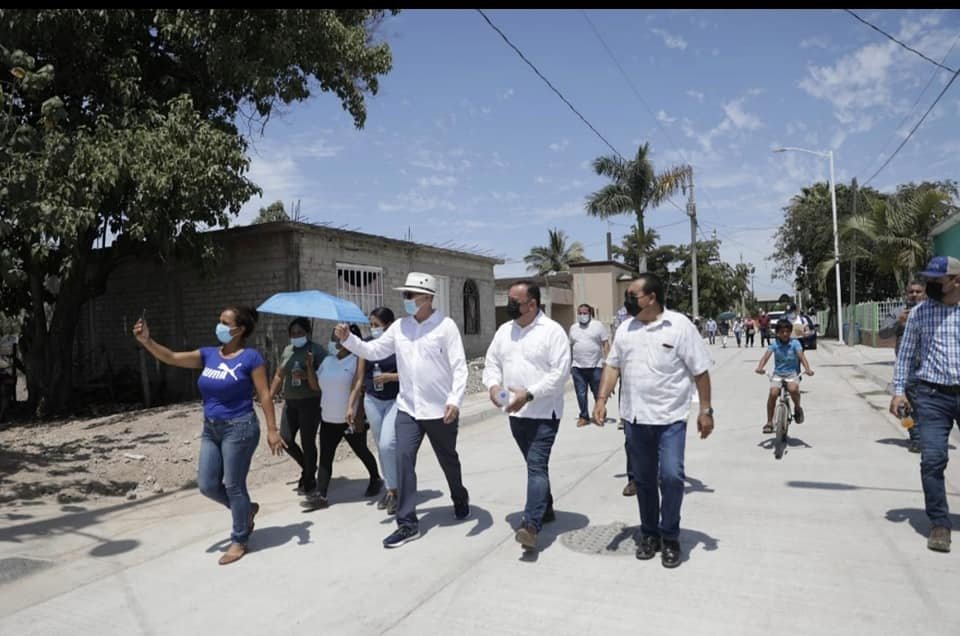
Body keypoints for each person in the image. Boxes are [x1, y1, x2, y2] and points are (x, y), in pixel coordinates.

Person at [132, 305, 284, 565]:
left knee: (234, 485)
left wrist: (272, 429)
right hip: (211, 427)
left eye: (225, 322)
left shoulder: (250, 358)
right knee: (207, 485)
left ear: (240, 329)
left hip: (240, 427)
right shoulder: (208, 354)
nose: (220, 326)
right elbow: (170, 357)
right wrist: (148, 341)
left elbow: (265, 394)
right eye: (219, 321)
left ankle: (239, 539)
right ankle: (245, 510)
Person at [335, 272, 469, 549]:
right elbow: (372, 351)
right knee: (403, 459)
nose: (405, 299)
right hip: (408, 408)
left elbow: (459, 367)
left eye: (410, 295)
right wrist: (349, 340)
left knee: (448, 459)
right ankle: (407, 523)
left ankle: (459, 496)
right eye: (404, 295)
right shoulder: (399, 327)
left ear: (427, 297)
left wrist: (455, 400)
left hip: (439, 409)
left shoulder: (446, 327)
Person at [593, 273, 714, 569]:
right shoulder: (625, 330)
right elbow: (612, 367)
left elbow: (700, 371)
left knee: (671, 477)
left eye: (633, 296)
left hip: (670, 418)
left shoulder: (680, 326)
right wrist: (600, 399)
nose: (628, 301)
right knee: (645, 481)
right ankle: (650, 534)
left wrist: (706, 410)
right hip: (635, 419)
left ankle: (670, 536)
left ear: (652, 297)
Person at [484, 280, 571, 551]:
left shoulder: (552, 332)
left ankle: (531, 526)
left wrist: (529, 394)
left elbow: (559, 374)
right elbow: (492, 363)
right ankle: (545, 507)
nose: (508, 305)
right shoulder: (504, 331)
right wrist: (493, 385)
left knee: (535, 465)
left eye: (514, 301)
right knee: (536, 467)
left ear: (532, 304)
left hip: (544, 413)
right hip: (515, 413)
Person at [890, 256, 960, 553]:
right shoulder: (919, 314)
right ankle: (940, 523)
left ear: (956, 281)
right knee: (932, 460)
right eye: (928, 280)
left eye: (936, 281)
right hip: (932, 396)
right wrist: (897, 391)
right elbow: (905, 355)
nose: (930, 285)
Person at [302, 325, 382, 510]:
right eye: (333, 337)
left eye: (337, 337)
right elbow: (316, 387)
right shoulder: (328, 361)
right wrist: (309, 367)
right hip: (328, 417)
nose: (334, 341)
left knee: (361, 450)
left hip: (349, 419)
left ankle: (375, 478)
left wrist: (355, 413)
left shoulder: (357, 360)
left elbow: (359, 387)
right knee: (325, 457)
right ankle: (321, 495)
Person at [347, 307, 401, 514]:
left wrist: (390, 377)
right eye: (371, 325)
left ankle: (396, 490)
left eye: (377, 325)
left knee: (388, 444)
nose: (373, 329)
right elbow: (359, 377)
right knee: (381, 446)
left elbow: (411, 373)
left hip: (395, 400)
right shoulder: (367, 344)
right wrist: (351, 405)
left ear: (389, 325)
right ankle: (390, 489)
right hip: (372, 400)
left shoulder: (399, 344)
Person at [268, 317, 325, 495]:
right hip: (291, 402)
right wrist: (269, 396)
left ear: (307, 333)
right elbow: (279, 374)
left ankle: (308, 478)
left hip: (310, 402)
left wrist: (308, 375)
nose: (296, 336)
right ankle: (309, 469)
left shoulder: (316, 350)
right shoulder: (288, 350)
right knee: (285, 440)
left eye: (300, 333)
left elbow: (327, 375)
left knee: (308, 443)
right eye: (293, 333)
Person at [880, 280, 926, 453]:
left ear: (924, 293)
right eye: (911, 292)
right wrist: (898, 323)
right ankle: (915, 438)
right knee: (905, 407)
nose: (914, 295)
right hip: (906, 366)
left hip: (927, 365)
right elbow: (883, 333)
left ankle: (926, 436)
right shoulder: (898, 312)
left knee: (926, 405)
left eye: (918, 291)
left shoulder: (930, 311)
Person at [754, 319, 815, 433]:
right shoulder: (775, 344)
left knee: (793, 389)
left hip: (792, 374)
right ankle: (769, 422)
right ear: (777, 333)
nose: (785, 334)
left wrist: (808, 369)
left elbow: (802, 357)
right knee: (773, 393)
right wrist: (760, 367)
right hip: (778, 374)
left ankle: (797, 407)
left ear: (790, 332)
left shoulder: (795, 343)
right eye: (782, 332)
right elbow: (765, 357)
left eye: (787, 331)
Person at [569, 303, 609, 428]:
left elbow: (605, 344)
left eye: (585, 313)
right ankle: (584, 417)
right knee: (581, 393)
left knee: (598, 393)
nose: (582, 315)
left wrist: (607, 362)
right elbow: (569, 346)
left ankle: (599, 414)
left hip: (595, 366)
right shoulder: (573, 328)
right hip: (577, 367)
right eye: (580, 313)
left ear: (590, 313)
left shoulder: (598, 326)